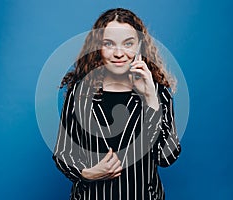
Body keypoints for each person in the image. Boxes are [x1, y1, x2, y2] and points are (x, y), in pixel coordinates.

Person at [53, 8, 181, 200]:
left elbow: (167, 157)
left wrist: (150, 99)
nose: (119, 53)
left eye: (128, 43)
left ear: (140, 46)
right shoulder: (80, 93)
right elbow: (63, 152)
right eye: (109, 44)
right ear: (98, 47)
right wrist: (87, 173)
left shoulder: (157, 92)